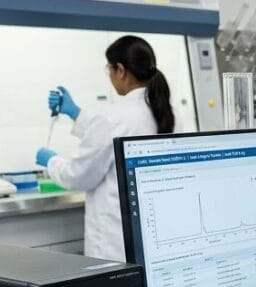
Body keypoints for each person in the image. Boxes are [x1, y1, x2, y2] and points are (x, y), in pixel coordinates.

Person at [36, 35, 175, 261]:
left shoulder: (114, 117)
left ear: (120, 70)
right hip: (155, 239)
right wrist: (75, 113)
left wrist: (51, 161)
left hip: (116, 245)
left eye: (109, 69)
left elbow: (78, 176)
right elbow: (109, 140)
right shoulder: (167, 113)